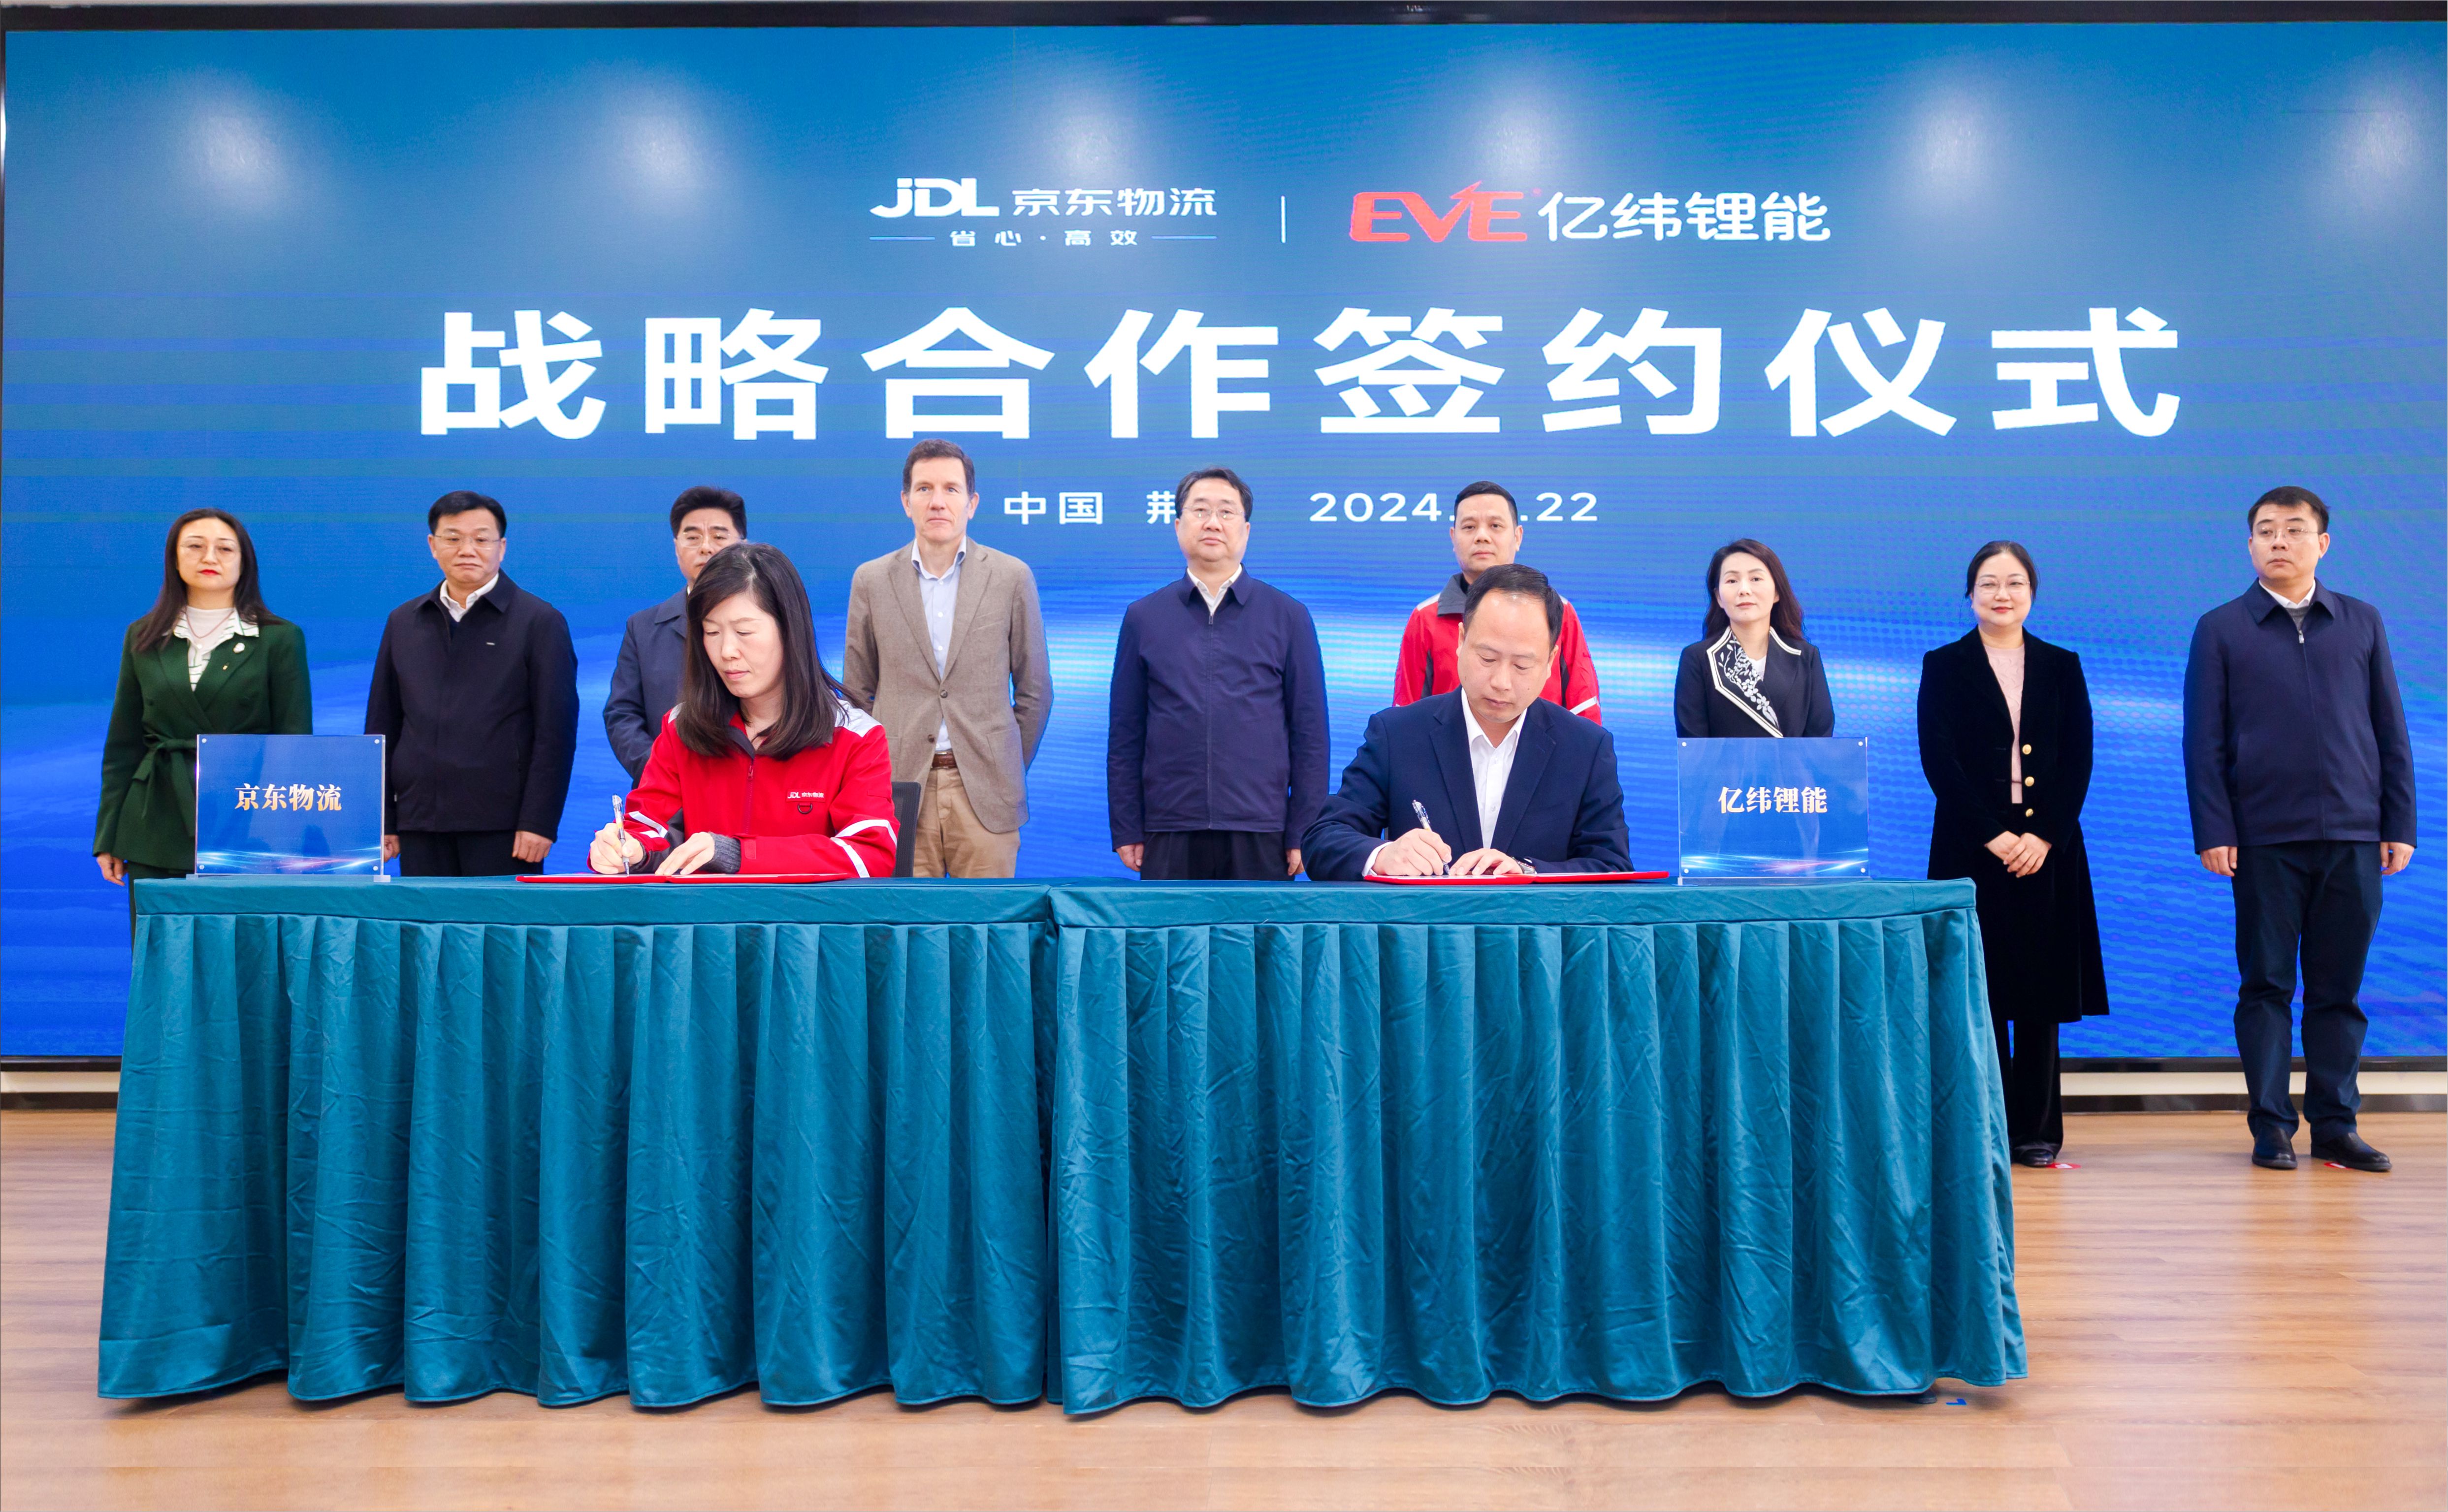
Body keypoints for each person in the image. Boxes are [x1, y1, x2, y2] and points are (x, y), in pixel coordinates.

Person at [2184, 485, 2414, 1174]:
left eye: (2293, 529)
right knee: (2266, 986)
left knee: (2339, 990)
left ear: (2323, 543)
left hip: (2353, 833)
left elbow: (2390, 729)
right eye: (2265, 530)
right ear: (2250, 544)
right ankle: (2271, 1126)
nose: (2278, 541)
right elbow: (2203, 741)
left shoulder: (2361, 621)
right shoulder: (2221, 627)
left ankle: (2336, 1125)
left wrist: (2398, 821)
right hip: (2263, 837)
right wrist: (2214, 828)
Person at [1917, 541, 2108, 1167]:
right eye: (1989, 583)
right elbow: (1939, 761)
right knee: (1980, 990)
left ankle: (2037, 1131)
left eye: (2015, 582)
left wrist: (2043, 835)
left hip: (2047, 850)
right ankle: (1984, 1125)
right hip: (1971, 849)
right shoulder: (1943, 664)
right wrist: (1993, 835)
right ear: (1969, 593)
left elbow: (2077, 758)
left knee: (2040, 995)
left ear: (2032, 592)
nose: (2002, 594)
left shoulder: (2061, 664)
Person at [588, 542, 898, 878]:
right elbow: (648, 827)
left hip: (803, 914)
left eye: (744, 632)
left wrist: (738, 855)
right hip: (702, 913)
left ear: (790, 630)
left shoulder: (856, 737)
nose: (727, 651)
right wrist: (629, 850)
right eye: (712, 632)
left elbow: (870, 855)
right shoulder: (681, 727)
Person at [1305, 565, 1632, 881]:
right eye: (1487, 658)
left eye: (1522, 666)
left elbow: (1612, 864)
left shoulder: (1586, 749)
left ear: (1550, 662)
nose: (1501, 682)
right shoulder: (1398, 734)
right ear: (1461, 640)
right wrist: (1382, 855)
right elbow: (1323, 839)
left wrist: (1529, 872)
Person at [842, 439, 1053, 878]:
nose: (937, 501)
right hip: (899, 789)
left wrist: (1003, 764)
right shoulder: (872, 580)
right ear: (906, 502)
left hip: (985, 792)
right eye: (924, 489)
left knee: (988, 919)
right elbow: (856, 693)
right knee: (908, 919)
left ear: (972, 503)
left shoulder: (1011, 577)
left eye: (951, 489)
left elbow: (1035, 691)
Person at [1108, 466, 1329, 882]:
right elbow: (1126, 734)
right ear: (1178, 526)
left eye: (1226, 512)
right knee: (1171, 927)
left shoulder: (1288, 616)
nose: (1212, 522)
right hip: (1169, 825)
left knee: (1258, 928)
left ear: (1246, 530)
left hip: (1262, 828)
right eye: (1200, 510)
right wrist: (1127, 825)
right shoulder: (1144, 617)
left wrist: (1305, 827)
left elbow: (1311, 735)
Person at [95, 509, 312, 928]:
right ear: (174, 559)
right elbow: (123, 745)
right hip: (155, 820)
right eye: (195, 546)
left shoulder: (279, 638)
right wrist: (109, 836)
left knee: (240, 946)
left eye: (225, 548)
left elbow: (293, 743)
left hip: (245, 819)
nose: (209, 556)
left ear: (244, 562)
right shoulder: (143, 636)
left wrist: (285, 833)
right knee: (161, 946)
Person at [365, 490, 578, 877]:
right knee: (425, 920)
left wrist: (539, 821)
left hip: (505, 826)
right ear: (433, 545)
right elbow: (382, 726)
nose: (467, 549)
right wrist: (384, 818)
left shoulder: (539, 622)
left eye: (481, 539)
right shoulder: (404, 622)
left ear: (502, 548)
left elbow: (556, 733)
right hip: (420, 821)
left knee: (500, 920)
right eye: (453, 538)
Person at [1392, 481, 1602, 722]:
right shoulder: (1425, 618)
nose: (1482, 536)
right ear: (1453, 537)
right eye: (1469, 527)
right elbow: (1406, 716)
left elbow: (1583, 710)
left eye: (1495, 526)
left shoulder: (1557, 612)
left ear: (1518, 536)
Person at [605, 485, 745, 783]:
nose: (706, 548)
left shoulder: (771, 622)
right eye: (692, 538)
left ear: (743, 546)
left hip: (752, 788)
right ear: (676, 547)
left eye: (719, 537)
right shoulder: (643, 628)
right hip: (666, 793)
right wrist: (662, 771)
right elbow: (623, 714)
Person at [1674, 538, 1835, 739]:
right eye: (1732, 581)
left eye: (1756, 579)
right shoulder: (1698, 658)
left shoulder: (1806, 656)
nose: (1744, 590)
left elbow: (1820, 739)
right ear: (1718, 597)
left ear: (1777, 592)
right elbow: (1693, 744)